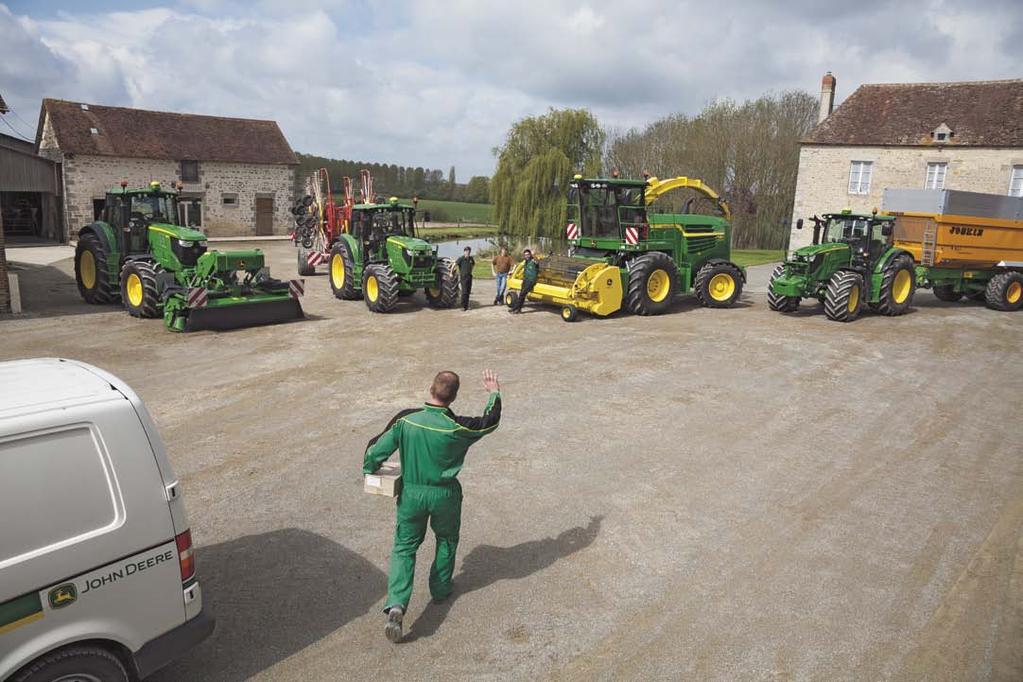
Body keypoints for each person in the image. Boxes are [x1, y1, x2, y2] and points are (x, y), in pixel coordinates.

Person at [364, 370, 502, 643]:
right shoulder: (457, 427)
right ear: (454, 396)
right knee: (447, 540)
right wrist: (494, 392)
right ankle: (440, 590)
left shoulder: (407, 421)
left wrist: (369, 470)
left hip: (412, 494)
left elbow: (376, 450)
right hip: (445, 495)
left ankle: (396, 605)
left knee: (404, 547)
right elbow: (489, 422)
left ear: (431, 389)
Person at [510, 249, 539, 313]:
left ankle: (515, 308)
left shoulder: (533, 260)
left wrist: (534, 255)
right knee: (522, 295)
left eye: (528, 254)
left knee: (522, 294)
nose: (526, 256)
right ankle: (518, 309)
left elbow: (537, 261)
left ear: (530, 254)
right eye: (525, 255)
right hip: (525, 280)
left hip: (531, 280)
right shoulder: (526, 261)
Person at [454, 246, 475, 311]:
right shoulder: (461, 258)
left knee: (468, 292)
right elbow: (455, 264)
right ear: (464, 252)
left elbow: (473, 264)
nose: (467, 253)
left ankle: (466, 306)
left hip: (469, 276)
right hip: (463, 277)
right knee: (464, 292)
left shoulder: (471, 259)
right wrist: (451, 271)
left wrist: (471, 270)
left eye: (468, 251)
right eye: (466, 251)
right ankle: (462, 306)